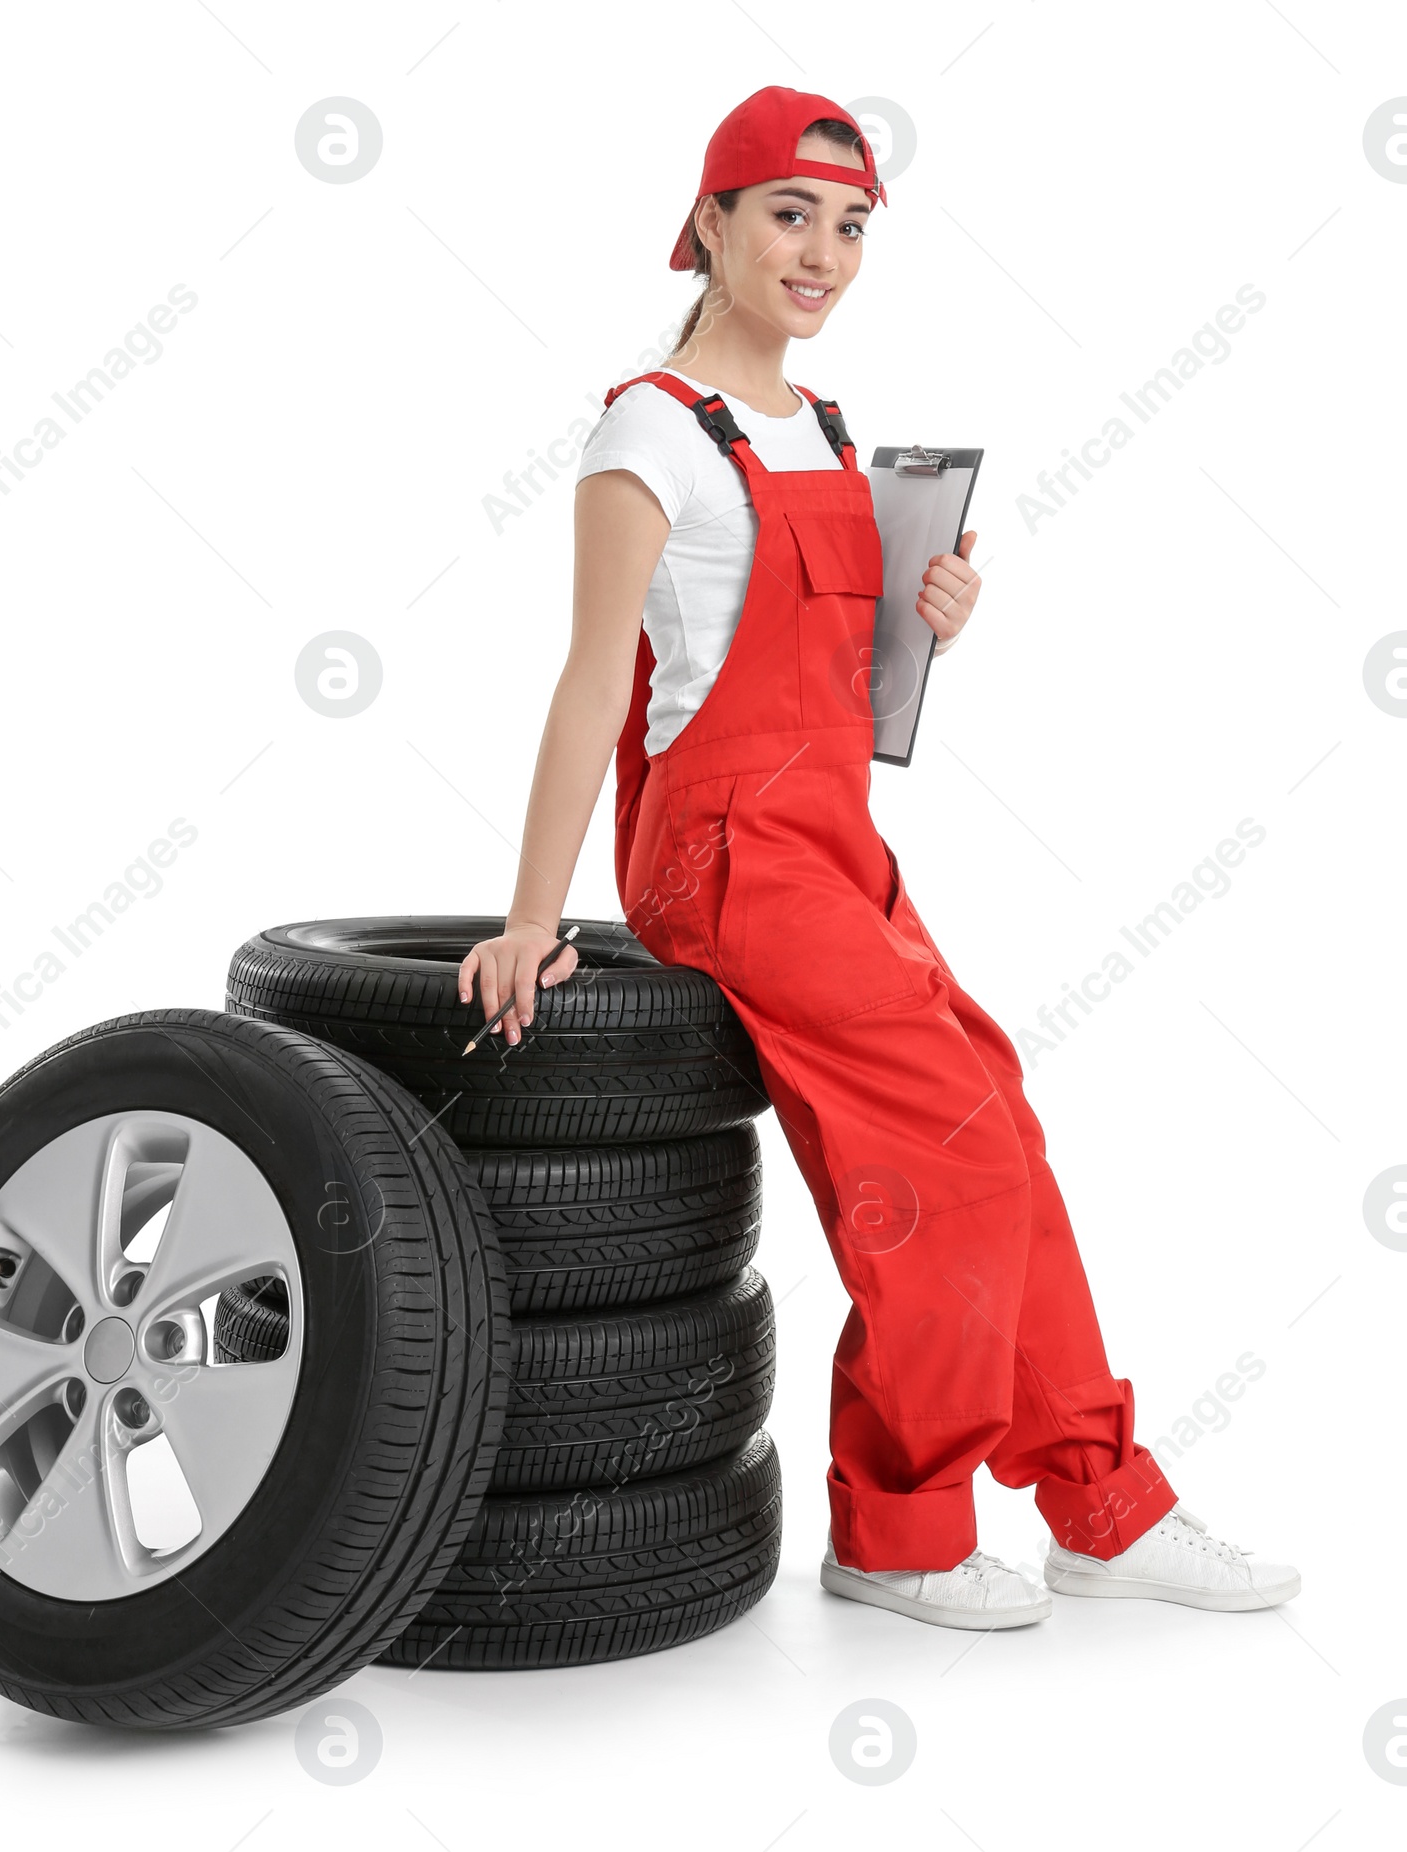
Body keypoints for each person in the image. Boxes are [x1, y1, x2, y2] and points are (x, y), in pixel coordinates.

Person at [458, 85, 1298, 1630]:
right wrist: (531, 920)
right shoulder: (647, 430)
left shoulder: (831, 429)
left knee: (1005, 1124)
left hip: (835, 840)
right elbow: (594, 683)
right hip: (720, 855)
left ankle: (1102, 1503)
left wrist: (924, 623)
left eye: (850, 228)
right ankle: (897, 1529)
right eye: (791, 215)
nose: (825, 253)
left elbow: (829, 693)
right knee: (953, 1152)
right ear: (708, 222)